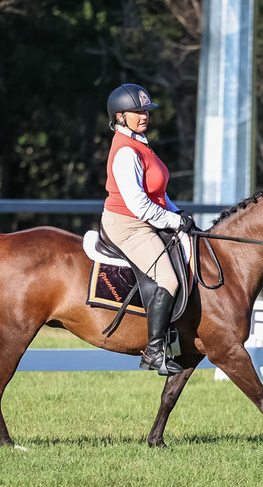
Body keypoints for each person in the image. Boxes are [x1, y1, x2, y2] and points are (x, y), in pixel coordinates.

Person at [101, 83, 194, 376]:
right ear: (119, 117)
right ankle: (153, 351)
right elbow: (139, 205)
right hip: (129, 225)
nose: (143, 116)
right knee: (168, 278)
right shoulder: (126, 152)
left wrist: (177, 213)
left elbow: (157, 193)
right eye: (136, 111)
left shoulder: (141, 143)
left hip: (148, 218)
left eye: (145, 111)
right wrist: (172, 221)